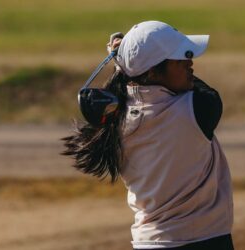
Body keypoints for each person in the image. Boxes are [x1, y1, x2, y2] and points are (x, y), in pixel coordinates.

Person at [62, 20, 234, 250]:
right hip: (204, 240)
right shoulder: (197, 109)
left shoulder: (117, 116)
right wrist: (123, 62)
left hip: (148, 242)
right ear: (153, 71)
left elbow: (137, 81)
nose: (189, 62)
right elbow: (204, 91)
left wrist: (124, 65)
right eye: (179, 58)